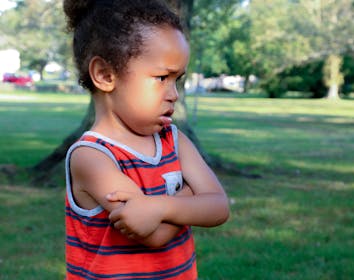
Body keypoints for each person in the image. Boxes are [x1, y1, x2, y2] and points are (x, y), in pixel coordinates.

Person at [63, 1, 230, 279]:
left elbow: (219, 207)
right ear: (105, 75)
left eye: (177, 79)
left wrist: (159, 205)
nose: (174, 94)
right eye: (162, 77)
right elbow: (152, 234)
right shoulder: (92, 156)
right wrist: (192, 193)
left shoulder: (173, 140)